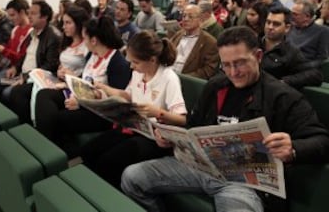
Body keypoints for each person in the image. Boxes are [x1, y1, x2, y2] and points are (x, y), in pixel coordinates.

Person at [121, 26, 329, 212]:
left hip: (243, 184)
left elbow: (321, 140)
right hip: (200, 167)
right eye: (226, 65)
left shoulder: (282, 96)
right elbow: (195, 127)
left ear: (257, 56)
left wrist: (293, 148)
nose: (233, 72)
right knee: (132, 177)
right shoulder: (216, 86)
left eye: (239, 64)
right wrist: (170, 137)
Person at [80, 30, 187, 189]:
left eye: (135, 62)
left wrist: (157, 112)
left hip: (154, 138)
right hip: (134, 127)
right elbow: (128, 95)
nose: (131, 66)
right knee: (89, 150)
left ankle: (108, 195)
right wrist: (105, 89)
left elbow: (182, 119)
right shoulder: (139, 72)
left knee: (109, 161)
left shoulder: (169, 78)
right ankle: (88, 189)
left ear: (152, 60)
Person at [35, 16, 131, 145]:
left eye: (85, 38)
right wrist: (70, 79)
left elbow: (117, 101)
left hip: (101, 112)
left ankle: (51, 148)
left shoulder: (117, 63)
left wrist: (82, 102)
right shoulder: (93, 54)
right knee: (44, 94)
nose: (84, 42)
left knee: (59, 117)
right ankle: (45, 143)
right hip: (83, 98)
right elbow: (87, 80)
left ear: (94, 40)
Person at [8, 1, 62, 121]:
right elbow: (24, 55)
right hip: (22, 74)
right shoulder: (32, 33)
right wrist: (15, 68)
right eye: (29, 13)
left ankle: (24, 126)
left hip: (37, 78)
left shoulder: (53, 37)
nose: (29, 16)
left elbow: (50, 65)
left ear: (44, 17)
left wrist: (26, 77)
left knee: (11, 92)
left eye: (33, 13)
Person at [261, 7, 322, 89]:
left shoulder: (291, 52)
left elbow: (315, 75)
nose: (270, 27)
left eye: (276, 24)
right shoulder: (252, 44)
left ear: (287, 28)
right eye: (268, 22)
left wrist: (284, 81)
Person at [170, 4, 219, 79]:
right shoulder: (178, 35)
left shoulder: (210, 42)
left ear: (200, 20)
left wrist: (184, 78)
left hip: (187, 81)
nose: (185, 19)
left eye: (190, 16)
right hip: (169, 75)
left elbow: (208, 70)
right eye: (184, 16)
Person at [287, 0, 329, 72]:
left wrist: (302, 66)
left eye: (295, 14)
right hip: (287, 65)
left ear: (307, 16)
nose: (291, 16)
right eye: (291, 13)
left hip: (306, 70)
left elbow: (322, 59)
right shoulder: (289, 28)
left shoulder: (323, 31)